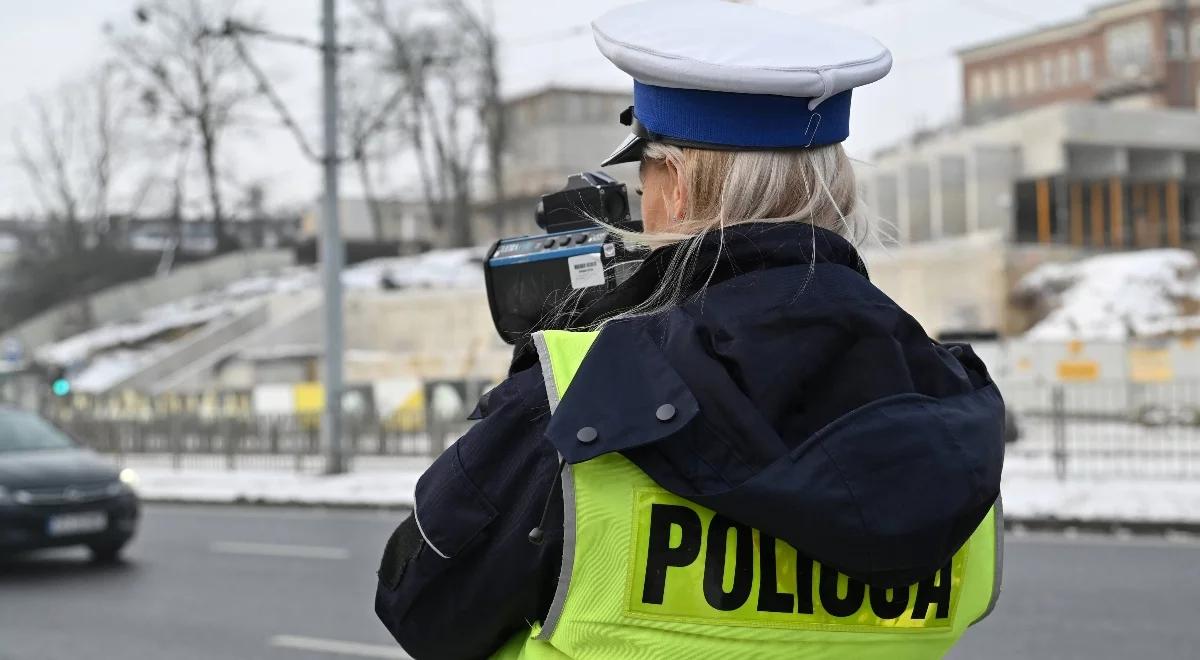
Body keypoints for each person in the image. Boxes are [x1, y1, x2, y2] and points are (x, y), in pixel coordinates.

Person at [375, 1, 1005, 658]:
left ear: (675, 185)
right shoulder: (952, 403)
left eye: (643, 173)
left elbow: (419, 603)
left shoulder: (581, 403)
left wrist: (579, 363)